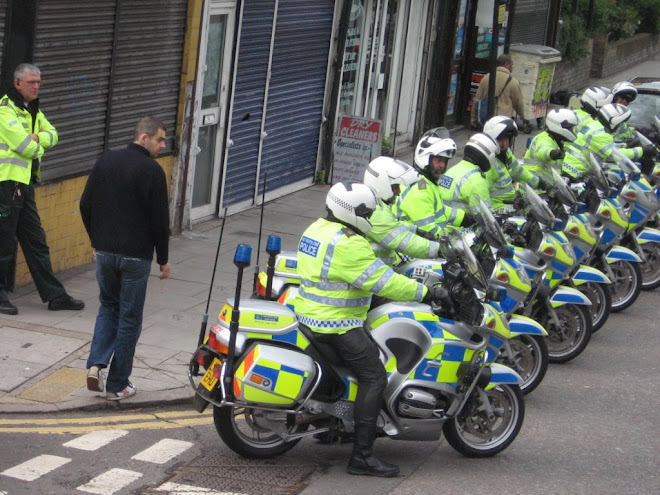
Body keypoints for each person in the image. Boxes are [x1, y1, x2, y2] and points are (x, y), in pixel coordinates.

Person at [294, 181, 441, 477]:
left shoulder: (317, 229)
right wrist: (426, 293)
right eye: (367, 212)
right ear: (351, 212)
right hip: (336, 323)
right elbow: (385, 281)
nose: (371, 216)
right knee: (374, 376)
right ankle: (362, 457)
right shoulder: (350, 244)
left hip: (309, 315)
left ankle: (334, 427)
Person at [80, 116, 171, 401]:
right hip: (135, 258)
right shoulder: (153, 172)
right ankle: (118, 383)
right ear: (143, 138)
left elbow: (85, 204)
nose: (163, 145)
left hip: (105, 253)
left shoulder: (106, 160)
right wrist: (163, 259)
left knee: (108, 307)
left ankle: (96, 364)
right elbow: (160, 221)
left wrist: (97, 240)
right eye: (159, 139)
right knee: (130, 318)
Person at [0, 63, 84, 316]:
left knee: (36, 242)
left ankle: (55, 296)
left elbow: (54, 134)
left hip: (24, 186)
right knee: (3, 243)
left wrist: (38, 139)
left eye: (38, 82)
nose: (36, 86)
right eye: (31, 82)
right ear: (17, 84)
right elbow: (25, 146)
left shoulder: (31, 109)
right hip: (6, 185)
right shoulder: (5, 111)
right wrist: (37, 141)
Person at [362, 157, 441, 264]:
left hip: (378, 269)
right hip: (371, 275)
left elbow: (393, 225)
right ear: (381, 183)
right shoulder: (375, 211)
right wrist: (439, 249)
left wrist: (417, 231)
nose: (398, 192)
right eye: (395, 187)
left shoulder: (375, 205)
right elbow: (404, 241)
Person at [394, 130, 471, 238]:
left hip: (421, 246)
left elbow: (440, 209)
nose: (442, 166)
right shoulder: (419, 190)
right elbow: (428, 229)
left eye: (445, 161)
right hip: (412, 250)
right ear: (425, 158)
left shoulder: (424, 182)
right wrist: (451, 240)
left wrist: (465, 218)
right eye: (438, 160)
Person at [563, 103, 653, 180]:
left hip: (574, 169)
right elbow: (615, 156)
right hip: (575, 173)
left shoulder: (595, 125)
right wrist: (642, 151)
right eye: (620, 123)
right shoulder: (601, 134)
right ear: (614, 121)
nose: (619, 126)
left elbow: (607, 147)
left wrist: (624, 145)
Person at [482, 116, 546, 210]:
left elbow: (519, 171)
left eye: (506, 139)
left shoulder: (506, 153)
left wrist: (539, 183)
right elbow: (482, 196)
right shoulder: (487, 163)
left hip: (510, 205)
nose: (504, 144)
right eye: (500, 140)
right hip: (497, 210)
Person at [437, 133, 499, 213]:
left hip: (441, 223)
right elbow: (485, 216)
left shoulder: (452, 170)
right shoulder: (477, 181)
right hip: (460, 225)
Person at [523, 108, 579, 185]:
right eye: (569, 128)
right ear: (558, 126)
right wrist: (552, 153)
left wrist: (568, 175)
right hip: (534, 189)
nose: (571, 131)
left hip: (547, 187)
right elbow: (542, 151)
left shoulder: (558, 141)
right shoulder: (543, 139)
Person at [471, 54, 526, 130]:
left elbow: (478, 98)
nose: (513, 67)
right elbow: (518, 102)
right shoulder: (513, 82)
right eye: (512, 64)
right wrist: (521, 115)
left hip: (487, 119)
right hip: (503, 120)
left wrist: (473, 118)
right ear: (506, 64)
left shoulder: (486, 77)